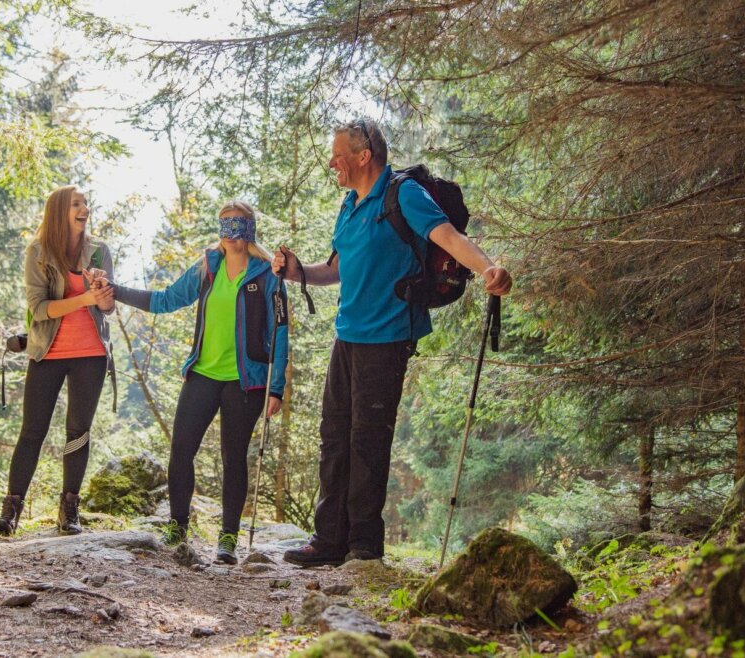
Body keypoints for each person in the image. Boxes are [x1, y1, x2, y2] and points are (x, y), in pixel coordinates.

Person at [274, 118, 514, 567]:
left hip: (387, 337)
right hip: (347, 336)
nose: (332, 163)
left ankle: (363, 546)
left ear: (363, 157)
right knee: (334, 436)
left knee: (367, 439)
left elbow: (449, 237)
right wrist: (296, 271)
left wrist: (488, 269)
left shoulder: (403, 194)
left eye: (338, 155)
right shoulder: (350, 204)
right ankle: (329, 541)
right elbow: (338, 269)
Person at [112, 201, 288, 565]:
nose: (231, 234)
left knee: (233, 457)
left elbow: (280, 332)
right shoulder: (207, 268)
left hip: (247, 380)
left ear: (250, 231)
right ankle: (177, 524)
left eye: (238, 226)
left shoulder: (268, 276)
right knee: (181, 450)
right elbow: (166, 300)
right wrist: (116, 291)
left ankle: (228, 537)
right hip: (202, 374)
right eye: (225, 226)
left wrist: (276, 387)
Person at [0, 185, 116, 537]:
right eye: (76, 204)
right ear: (59, 211)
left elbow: (108, 306)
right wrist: (84, 298)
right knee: (32, 430)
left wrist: (103, 294)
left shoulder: (99, 251)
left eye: (86, 203)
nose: (84, 209)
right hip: (48, 352)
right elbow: (39, 308)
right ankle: (12, 508)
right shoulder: (39, 252)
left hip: (91, 354)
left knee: (78, 432)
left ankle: (69, 508)